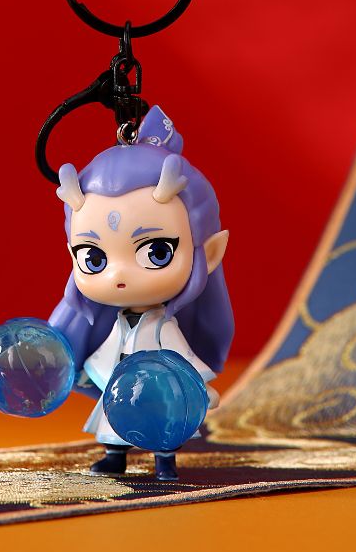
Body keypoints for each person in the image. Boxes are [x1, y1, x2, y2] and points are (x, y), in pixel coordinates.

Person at [49, 107, 233, 481]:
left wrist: (199, 388)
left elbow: (184, 361)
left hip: (161, 394)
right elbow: (105, 355)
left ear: (210, 252)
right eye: (94, 258)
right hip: (121, 392)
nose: (118, 274)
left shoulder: (164, 326)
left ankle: (164, 462)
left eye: (156, 252)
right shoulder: (117, 323)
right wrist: (88, 374)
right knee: (113, 425)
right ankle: (114, 456)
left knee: (163, 427)